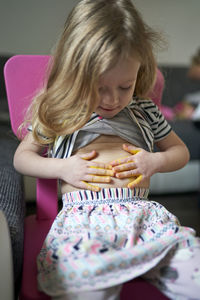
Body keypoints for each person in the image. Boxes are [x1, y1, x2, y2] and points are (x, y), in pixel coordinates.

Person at [13, 0, 200, 299]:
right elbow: (22, 158)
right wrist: (63, 167)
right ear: (74, 71)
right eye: (99, 87)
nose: (112, 99)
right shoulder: (62, 110)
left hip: (146, 221)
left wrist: (155, 161)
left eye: (125, 86)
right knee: (83, 281)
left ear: (139, 72)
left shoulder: (144, 109)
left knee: (193, 266)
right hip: (83, 225)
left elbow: (181, 153)